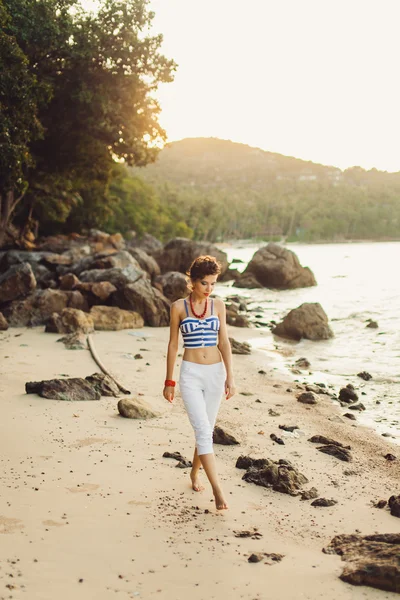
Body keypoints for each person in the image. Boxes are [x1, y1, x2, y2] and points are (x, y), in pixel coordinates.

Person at [163, 255, 236, 510]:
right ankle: (218, 491)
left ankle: (194, 473)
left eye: (213, 284)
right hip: (191, 374)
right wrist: (169, 381)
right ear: (192, 282)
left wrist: (230, 377)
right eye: (204, 283)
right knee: (203, 431)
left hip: (216, 374)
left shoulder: (218, 306)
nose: (209, 289)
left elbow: (224, 342)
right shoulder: (178, 308)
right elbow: (173, 344)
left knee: (206, 429)